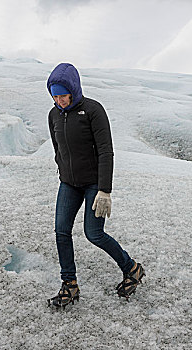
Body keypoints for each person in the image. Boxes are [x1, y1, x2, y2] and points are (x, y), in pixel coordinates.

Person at [46, 63, 145, 307]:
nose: (59, 101)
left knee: (94, 234)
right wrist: (62, 169)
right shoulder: (53, 114)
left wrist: (104, 190)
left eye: (63, 95)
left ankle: (131, 268)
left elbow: (105, 151)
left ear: (73, 90)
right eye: (54, 96)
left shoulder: (92, 110)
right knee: (61, 231)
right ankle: (69, 284)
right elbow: (57, 147)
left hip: (93, 185)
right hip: (69, 183)